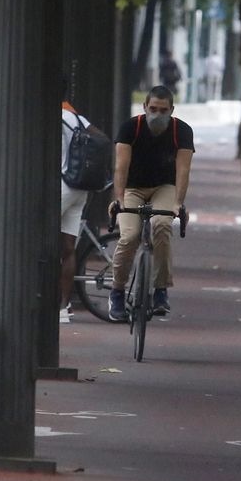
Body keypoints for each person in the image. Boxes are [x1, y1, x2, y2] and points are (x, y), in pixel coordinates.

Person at [109, 85, 194, 321]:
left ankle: (160, 289)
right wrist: (118, 199)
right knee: (130, 235)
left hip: (163, 187)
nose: (157, 114)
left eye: (163, 110)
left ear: (172, 110)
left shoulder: (182, 131)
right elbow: (121, 167)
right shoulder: (130, 127)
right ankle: (117, 291)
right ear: (145, 107)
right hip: (132, 188)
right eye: (153, 108)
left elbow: (183, 170)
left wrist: (178, 203)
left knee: (162, 225)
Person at [57, 99, 98, 323]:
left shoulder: (53, 116)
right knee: (68, 248)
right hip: (79, 187)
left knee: (33, 236)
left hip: (62, 185)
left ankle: (37, 298)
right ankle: (63, 307)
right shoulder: (75, 117)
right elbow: (100, 137)